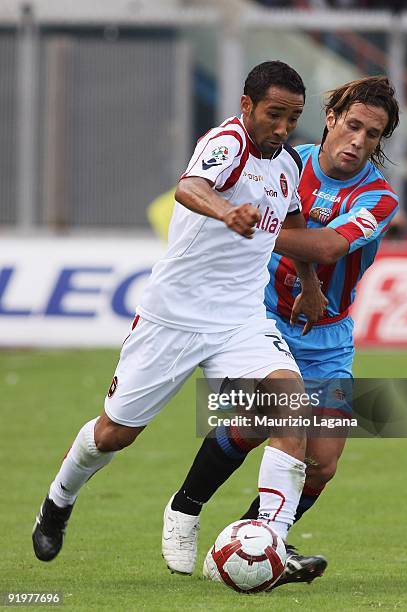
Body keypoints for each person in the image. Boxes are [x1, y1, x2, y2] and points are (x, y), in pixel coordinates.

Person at [32, 61, 328, 589]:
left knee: (290, 405)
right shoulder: (228, 142)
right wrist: (224, 212)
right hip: (174, 317)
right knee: (114, 434)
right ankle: (58, 501)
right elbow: (189, 187)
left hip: (239, 316)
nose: (283, 128)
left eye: (293, 118)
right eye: (274, 115)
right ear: (246, 107)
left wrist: (308, 283)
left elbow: (294, 220)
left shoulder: (285, 165)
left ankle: (271, 544)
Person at [164, 75, 400, 588]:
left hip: (331, 339)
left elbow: (331, 247)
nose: (359, 140)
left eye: (374, 134)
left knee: (323, 463)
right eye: (353, 125)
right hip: (264, 320)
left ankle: (256, 543)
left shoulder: (380, 198)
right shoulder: (288, 162)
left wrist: (258, 229)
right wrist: (242, 223)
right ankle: (185, 510)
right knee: (255, 425)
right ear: (332, 119)